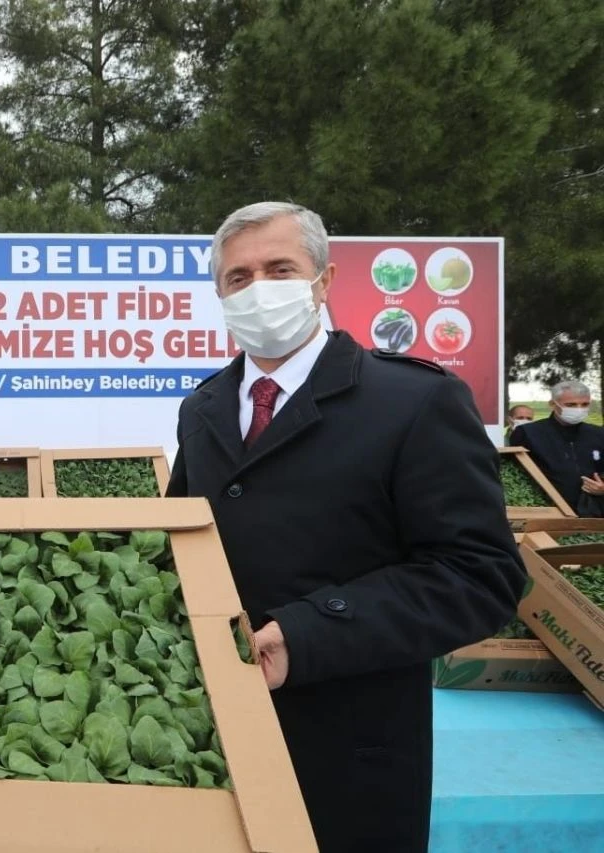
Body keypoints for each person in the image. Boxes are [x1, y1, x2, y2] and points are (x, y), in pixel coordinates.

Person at [164, 202, 524, 853]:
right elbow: (180, 550)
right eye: (238, 278)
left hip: (351, 751)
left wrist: (308, 632)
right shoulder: (203, 407)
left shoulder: (414, 402)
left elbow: (480, 574)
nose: (259, 289)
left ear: (324, 281)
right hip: (209, 738)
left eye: (280, 268)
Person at [510, 381, 604, 517]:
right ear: (553, 404)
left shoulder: (598, 434)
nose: (579, 409)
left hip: (594, 512)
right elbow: (515, 476)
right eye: (571, 405)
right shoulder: (528, 433)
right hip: (547, 512)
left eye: (584, 404)